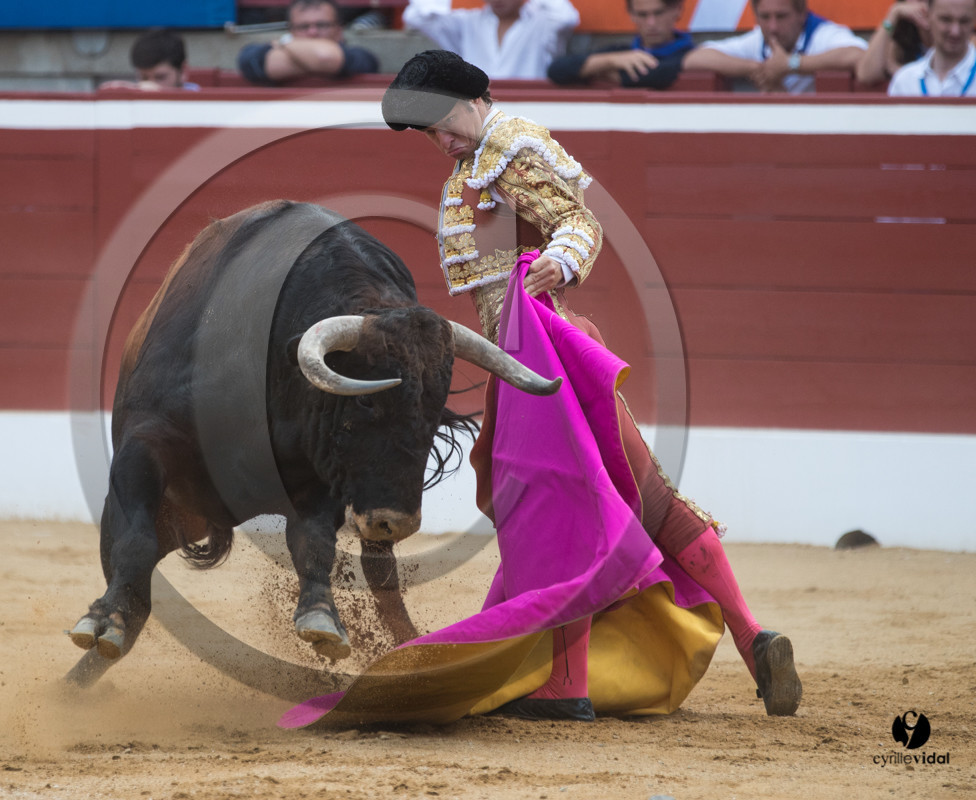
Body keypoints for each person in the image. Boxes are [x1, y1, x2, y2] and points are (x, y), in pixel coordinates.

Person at [290, 50, 804, 727]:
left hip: (550, 356)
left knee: (557, 512)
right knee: (649, 503)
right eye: (429, 133)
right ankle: (752, 638)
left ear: (476, 98)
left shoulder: (511, 143)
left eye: (443, 122)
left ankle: (566, 687)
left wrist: (558, 264)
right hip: (528, 360)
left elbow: (579, 222)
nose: (440, 140)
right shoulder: (471, 167)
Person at [682, 0, 867, 93]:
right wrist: (758, 68)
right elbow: (694, 59)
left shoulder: (823, 34)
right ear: (755, 14)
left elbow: (859, 56)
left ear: (802, 14)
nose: (773, 27)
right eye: (765, 17)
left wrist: (791, 63)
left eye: (781, 16)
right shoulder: (757, 39)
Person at [403, 0, 580, 80]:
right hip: (479, 117)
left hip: (531, 112)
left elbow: (567, 17)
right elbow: (417, 17)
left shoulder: (542, 23)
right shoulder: (467, 23)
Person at [547, 0, 693, 89]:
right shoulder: (621, 53)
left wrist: (604, 71)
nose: (651, 23)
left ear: (678, 10)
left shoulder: (692, 54)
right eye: (642, 15)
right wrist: (612, 60)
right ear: (631, 15)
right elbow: (557, 70)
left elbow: (657, 75)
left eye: (658, 13)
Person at [237, 0, 380, 85]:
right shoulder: (253, 53)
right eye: (303, 26)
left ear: (339, 30)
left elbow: (325, 56)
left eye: (322, 25)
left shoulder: (360, 56)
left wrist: (283, 43)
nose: (312, 32)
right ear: (291, 29)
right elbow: (323, 58)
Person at [888, 0, 976, 95]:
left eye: (964, 21)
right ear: (927, 16)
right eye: (946, 19)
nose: (955, 31)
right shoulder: (905, 81)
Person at [856, 0, 931, 85]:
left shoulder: (947, 37)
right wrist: (893, 14)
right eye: (919, 1)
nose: (923, 6)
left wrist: (898, 71)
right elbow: (867, 74)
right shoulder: (901, 35)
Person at [101, 29, 201, 91]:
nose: (150, 86)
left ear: (183, 71)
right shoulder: (135, 99)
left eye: (160, 77)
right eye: (144, 78)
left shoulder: (203, 104)